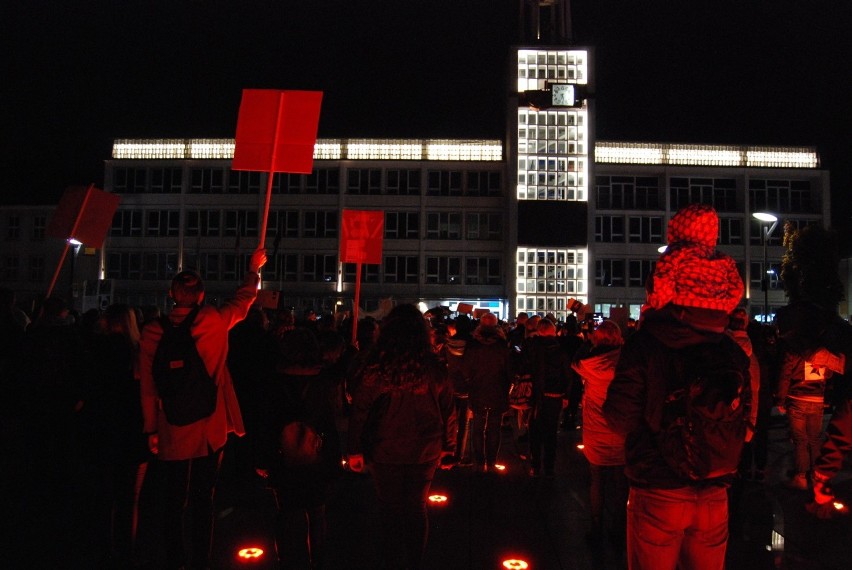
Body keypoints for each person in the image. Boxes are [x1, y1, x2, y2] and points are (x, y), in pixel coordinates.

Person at [603, 203, 750, 570]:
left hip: (659, 487)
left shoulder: (648, 343)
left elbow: (619, 418)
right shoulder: (733, 350)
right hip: (716, 488)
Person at [139, 247, 266, 570]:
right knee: (203, 497)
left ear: (171, 294)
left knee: (173, 497)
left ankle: (174, 558)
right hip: (210, 427)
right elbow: (242, 302)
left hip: (172, 427)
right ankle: (201, 558)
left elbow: (148, 387)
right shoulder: (213, 320)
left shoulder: (153, 332)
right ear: (202, 294)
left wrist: (151, 428)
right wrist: (253, 269)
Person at [347, 304, 457, 570]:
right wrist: (449, 447)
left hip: (385, 448)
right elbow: (448, 410)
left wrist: (355, 449)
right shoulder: (433, 367)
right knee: (416, 507)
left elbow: (360, 411)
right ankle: (413, 561)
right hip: (425, 449)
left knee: (389, 509)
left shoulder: (376, 367)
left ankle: (392, 560)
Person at [255, 327, 342, 569]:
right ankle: (319, 560)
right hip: (317, 454)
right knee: (317, 512)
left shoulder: (273, 381)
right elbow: (330, 420)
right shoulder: (323, 381)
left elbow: (266, 422)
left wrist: (262, 459)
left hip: (283, 456)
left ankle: (286, 559)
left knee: (285, 511)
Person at [571, 319, 627, 550]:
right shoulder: (626, 362)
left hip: (596, 428)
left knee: (596, 479)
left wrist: (585, 339)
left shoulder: (589, 364)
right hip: (621, 427)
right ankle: (618, 528)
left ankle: (596, 526)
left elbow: (574, 361)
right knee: (620, 482)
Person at [459, 312, 511, 471]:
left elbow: (465, 368)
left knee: (477, 426)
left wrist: (470, 381)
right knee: (494, 427)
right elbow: (509, 370)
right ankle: (491, 460)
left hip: (477, 389)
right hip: (498, 390)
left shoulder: (473, 345)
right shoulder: (501, 346)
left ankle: (480, 462)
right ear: (496, 326)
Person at [525, 317, 573, 477]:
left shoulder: (532, 348)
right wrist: (566, 395)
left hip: (535, 395)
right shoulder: (560, 350)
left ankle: (535, 465)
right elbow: (568, 375)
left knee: (535, 431)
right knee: (551, 432)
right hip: (555, 396)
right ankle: (549, 467)